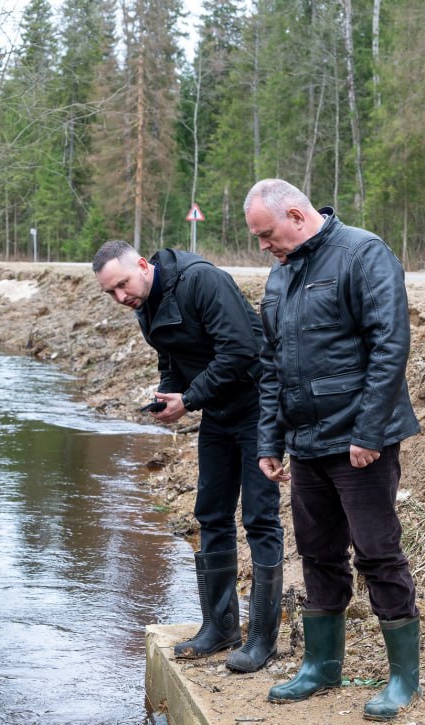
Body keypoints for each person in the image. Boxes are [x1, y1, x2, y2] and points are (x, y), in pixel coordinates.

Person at [244, 178, 423, 721]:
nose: (264, 246)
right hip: (306, 444)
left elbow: (390, 346)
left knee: (376, 553)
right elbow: (272, 366)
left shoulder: (363, 254)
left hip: (359, 444)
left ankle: (402, 678)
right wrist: (270, 440)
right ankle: (323, 666)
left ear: (296, 215)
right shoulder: (281, 276)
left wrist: (369, 433)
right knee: (318, 553)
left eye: (267, 234)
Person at [92, 240, 284, 673]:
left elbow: (241, 350)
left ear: (143, 265)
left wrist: (190, 398)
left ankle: (262, 640)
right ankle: (220, 627)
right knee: (211, 514)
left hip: (257, 407)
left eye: (123, 284)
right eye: (111, 293)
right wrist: (168, 394)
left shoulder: (202, 281)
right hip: (217, 411)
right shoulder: (145, 302)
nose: (121, 297)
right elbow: (170, 357)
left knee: (259, 518)